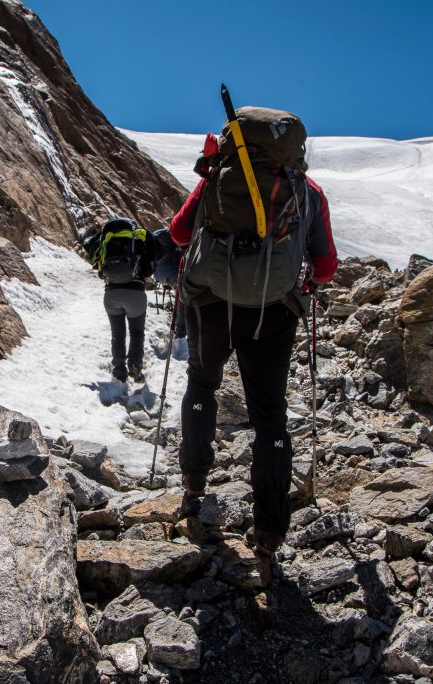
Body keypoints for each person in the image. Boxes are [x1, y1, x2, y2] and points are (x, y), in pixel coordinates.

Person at [169, 120, 337, 578]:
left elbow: (179, 234)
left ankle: (194, 481)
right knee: (270, 418)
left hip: (211, 304)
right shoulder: (307, 192)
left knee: (202, 385)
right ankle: (269, 531)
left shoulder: (216, 179)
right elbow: (326, 266)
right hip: (273, 311)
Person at [83, 217, 157, 383]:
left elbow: (91, 253)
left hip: (111, 293)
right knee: (136, 332)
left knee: (117, 334)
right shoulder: (139, 238)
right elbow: (150, 267)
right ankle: (135, 367)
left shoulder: (105, 239)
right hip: (135, 294)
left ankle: (119, 372)